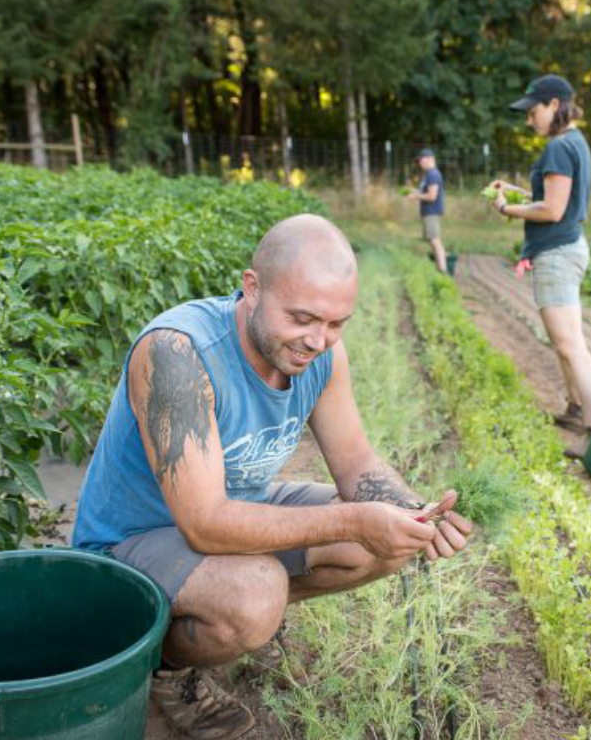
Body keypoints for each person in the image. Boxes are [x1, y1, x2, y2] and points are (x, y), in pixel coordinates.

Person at [72, 214, 473, 740]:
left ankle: (215, 625)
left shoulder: (320, 354)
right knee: (256, 596)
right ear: (252, 288)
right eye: (303, 317)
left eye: (336, 323)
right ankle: (160, 670)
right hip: (128, 547)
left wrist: (417, 514)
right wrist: (353, 520)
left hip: (234, 515)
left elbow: (356, 463)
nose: (318, 340)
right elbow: (206, 525)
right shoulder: (177, 354)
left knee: (382, 543)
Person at [486, 75, 591, 458]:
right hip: (567, 247)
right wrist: (519, 194)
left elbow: (551, 210)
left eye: (533, 111)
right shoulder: (576, 142)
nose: (529, 119)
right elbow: (556, 200)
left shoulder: (558, 147)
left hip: (557, 252)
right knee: (565, 343)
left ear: (554, 104)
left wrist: (506, 208)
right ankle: (575, 409)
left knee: (571, 346)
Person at [406, 148, 448, 273]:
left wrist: (415, 196)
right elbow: (425, 192)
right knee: (432, 240)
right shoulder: (428, 175)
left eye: (421, 160)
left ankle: (443, 269)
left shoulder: (433, 174)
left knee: (435, 240)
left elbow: (431, 196)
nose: (419, 163)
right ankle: (439, 267)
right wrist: (413, 191)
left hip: (431, 212)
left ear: (430, 159)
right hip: (427, 212)